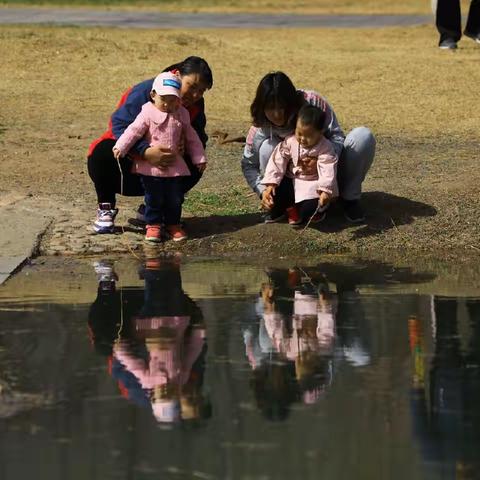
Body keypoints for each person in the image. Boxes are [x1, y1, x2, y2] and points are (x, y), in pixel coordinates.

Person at [87, 56, 213, 234]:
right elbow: (118, 126)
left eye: (201, 91)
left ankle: (154, 210)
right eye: (191, 86)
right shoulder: (145, 91)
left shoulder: (195, 104)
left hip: (165, 170)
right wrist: (145, 152)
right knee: (101, 153)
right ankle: (106, 208)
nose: (195, 95)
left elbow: (198, 136)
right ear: (177, 75)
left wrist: (186, 145)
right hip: (126, 168)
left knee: (196, 161)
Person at [241, 71, 376, 223]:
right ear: (261, 106)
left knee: (362, 137)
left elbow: (337, 136)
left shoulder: (313, 103)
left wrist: (321, 159)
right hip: (293, 180)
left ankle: (348, 198)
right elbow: (248, 164)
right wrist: (263, 190)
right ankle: (285, 203)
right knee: (267, 148)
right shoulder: (259, 126)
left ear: (292, 102)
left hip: (328, 172)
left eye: (282, 107)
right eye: (270, 108)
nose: (277, 114)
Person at [113, 72, 207, 243]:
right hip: (151, 167)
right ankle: (153, 225)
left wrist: (199, 158)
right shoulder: (147, 112)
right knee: (153, 196)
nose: (167, 104)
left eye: (172, 100)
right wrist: (121, 146)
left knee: (175, 197)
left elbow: (192, 138)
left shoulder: (181, 114)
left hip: (174, 165)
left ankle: (173, 224)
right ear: (153, 95)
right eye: (163, 98)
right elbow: (133, 131)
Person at [261, 104, 338, 226]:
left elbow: (327, 169)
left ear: (320, 132)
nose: (302, 139)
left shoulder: (325, 147)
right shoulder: (291, 141)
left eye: (308, 136)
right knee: (276, 192)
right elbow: (278, 159)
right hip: (293, 179)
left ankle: (316, 209)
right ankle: (291, 209)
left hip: (313, 183)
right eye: (299, 133)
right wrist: (271, 183)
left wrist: (325, 190)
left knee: (310, 208)